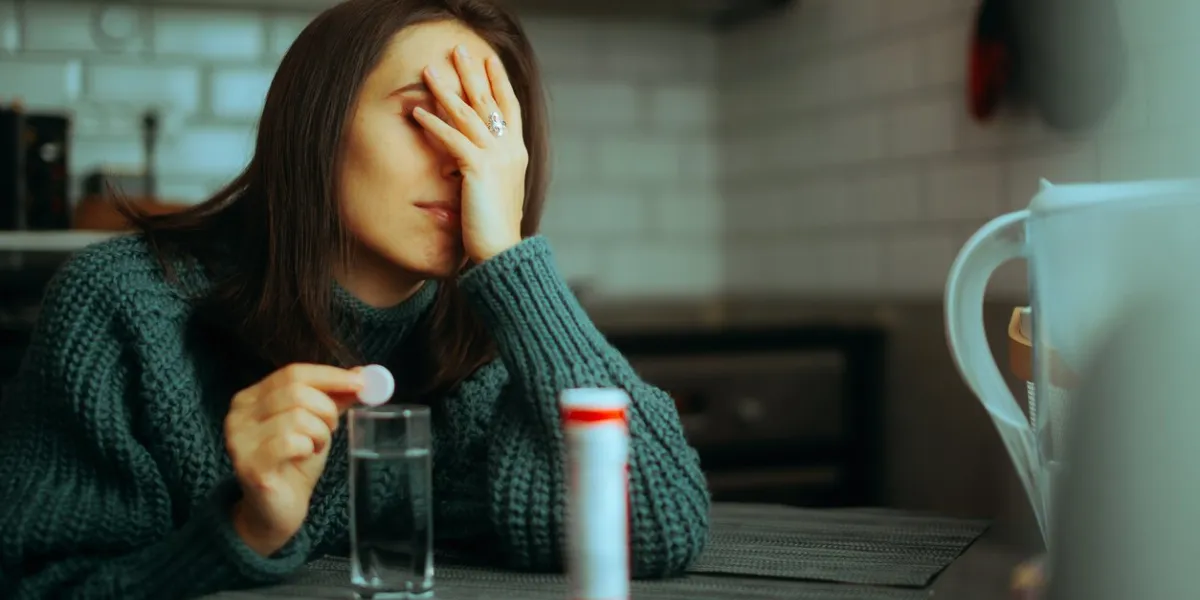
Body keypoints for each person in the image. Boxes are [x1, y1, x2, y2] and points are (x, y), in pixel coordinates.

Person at [0, 0, 711, 597]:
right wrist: (244, 531)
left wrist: (511, 261)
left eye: (490, 132)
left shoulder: (504, 340)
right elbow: (38, 581)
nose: (464, 160)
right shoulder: (125, 307)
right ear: (319, 124)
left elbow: (656, 522)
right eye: (426, 114)